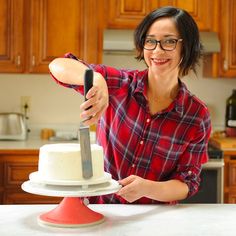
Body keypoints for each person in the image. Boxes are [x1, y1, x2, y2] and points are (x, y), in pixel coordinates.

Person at [49, 6, 211, 204]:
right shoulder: (120, 84)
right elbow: (58, 66)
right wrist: (96, 78)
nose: (157, 50)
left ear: (187, 47)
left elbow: (187, 183)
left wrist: (147, 188)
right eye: (150, 41)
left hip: (152, 219)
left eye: (169, 41)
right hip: (102, 210)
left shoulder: (196, 114)